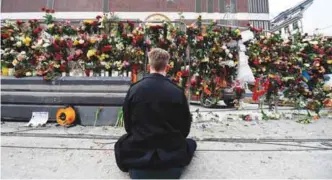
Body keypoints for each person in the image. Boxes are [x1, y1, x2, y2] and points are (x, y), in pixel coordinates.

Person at [114, 48, 196, 179]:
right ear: (167, 67)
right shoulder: (177, 91)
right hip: (169, 147)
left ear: (148, 66)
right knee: (190, 143)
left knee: (121, 144)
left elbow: (128, 125)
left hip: (140, 145)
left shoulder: (135, 89)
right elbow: (185, 128)